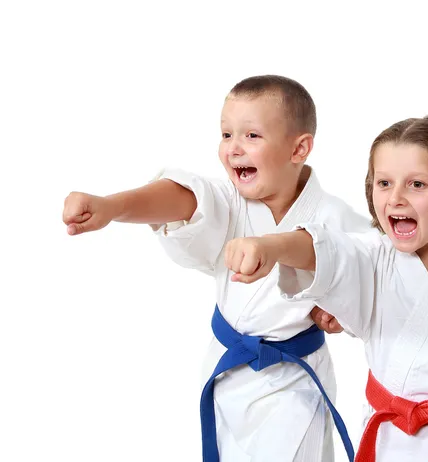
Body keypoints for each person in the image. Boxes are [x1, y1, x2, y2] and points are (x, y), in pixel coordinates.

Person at [62, 75, 372, 462]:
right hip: (227, 370)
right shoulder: (231, 198)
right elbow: (185, 198)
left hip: (292, 384)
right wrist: (112, 207)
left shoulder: (333, 216)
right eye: (226, 135)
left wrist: (336, 304)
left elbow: (366, 267)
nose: (233, 149)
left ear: (299, 148)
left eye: (252, 136)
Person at [224, 114, 428, 461]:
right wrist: (272, 247)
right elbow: (329, 252)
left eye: (416, 185)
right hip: (386, 442)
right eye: (384, 183)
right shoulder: (372, 257)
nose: (395, 199)